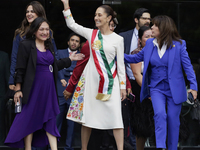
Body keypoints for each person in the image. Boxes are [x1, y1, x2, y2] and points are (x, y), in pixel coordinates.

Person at [4, 17, 84, 150]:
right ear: (34, 30)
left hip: (49, 90)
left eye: (47, 29)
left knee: (50, 118)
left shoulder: (49, 45)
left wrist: (69, 59)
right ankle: (28, 148)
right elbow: (20, 68)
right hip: (33, 89)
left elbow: (54, 65)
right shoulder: (26, 45)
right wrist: (18, 89)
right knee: (29, 118)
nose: (45, 32)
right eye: (41, 29)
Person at [124, 15, 198, 150]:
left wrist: (193, 86)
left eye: (155, 25)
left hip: (174, 89)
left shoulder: (179, 45)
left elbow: (188, 67)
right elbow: (134, 58)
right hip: (156, 88)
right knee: (159, 114)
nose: (151, 27)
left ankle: (172, 148)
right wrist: (115, 54)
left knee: (173, 120)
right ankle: (160, 147)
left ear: (163, 28)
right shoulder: (150, 45)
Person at [61, 1, 126, 150]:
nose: (96, 17)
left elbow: (121, 66)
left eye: (100, 15)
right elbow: (72, 25)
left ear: (109, 18)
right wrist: (66, 5)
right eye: (95, 15)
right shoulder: (91, 34)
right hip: (91, 82)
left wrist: (123, 87)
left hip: (111, 84)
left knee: (116, 118)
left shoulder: (118, 39)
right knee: (87, 118)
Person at [8, 1, 58, 92]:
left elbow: (54, 55)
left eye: (32, 11)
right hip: (25, 77)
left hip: (44, 77)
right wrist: (12, 80)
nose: (29, 14)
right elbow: (14, 57)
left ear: (39, 14)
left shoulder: (47, 33)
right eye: (27, 12)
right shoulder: (20, 34)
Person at [119, 8, 151, 149]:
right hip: (130, 85)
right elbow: (123, 60)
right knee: (133, 121)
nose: (148, 21)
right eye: (145, 18)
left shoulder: (156, 43)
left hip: (150, 86)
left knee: (150, 121)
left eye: (149, 19)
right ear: (136, 20)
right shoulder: (123, 37)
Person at [129, 26, 155, 150]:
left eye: (152, 36)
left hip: (159, 89)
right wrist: (149, 93)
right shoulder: (136, 53)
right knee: (142, 128)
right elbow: (137, 74)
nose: (150, 39)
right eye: (147, 37)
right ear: (140, 39)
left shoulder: (160, 51)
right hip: (142, 91)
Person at [56, 32, 81, 150]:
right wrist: (66, 71)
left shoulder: (81, 55)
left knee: (72, 124)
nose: (74, 42)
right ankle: (53, 147)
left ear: (79, 44)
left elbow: (77, 71)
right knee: (56, 121)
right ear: (68, 42)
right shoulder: (60, 52)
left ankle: (68, 148)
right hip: (60, 91)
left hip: (75, 92)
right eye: (72, 40)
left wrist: (65, 67)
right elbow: (56, 67)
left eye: (77, 41)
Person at [0, 51, 10, 145]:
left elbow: (7, 76)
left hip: (1, 95)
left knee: (1, 120)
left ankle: (1, 142)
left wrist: (7, 95)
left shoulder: (4, 56)